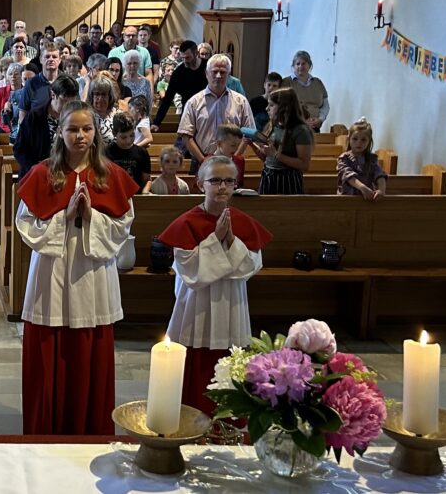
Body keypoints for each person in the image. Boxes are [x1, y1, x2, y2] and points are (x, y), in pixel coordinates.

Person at [15, 101, 138, 435]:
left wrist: (91, 217)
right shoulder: (42, 173)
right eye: (72, 129)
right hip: (52, 272)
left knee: (90, 351)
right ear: (60, 132)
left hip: (93, 274)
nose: (80, 135)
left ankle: (89, 432)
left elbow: (123, 225)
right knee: (49, 350)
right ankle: (46, 433)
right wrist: (64, 216)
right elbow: (25, 224)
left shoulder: (110, 175)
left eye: (86, 129)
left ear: (96, 133)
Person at [158, 155, 270, 416]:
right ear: (200, 184)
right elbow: (189, 271)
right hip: (196, 306)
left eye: (229, 181)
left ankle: (229, 425)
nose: (222, 187)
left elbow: (251, 266)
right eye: (215, 180)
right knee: (194, 365)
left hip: (232, 303)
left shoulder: (243, 222)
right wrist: (216, 239)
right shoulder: (187, 222)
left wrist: (231, 240)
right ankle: (190, 419)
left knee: (231, 363)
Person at [176, 54, 254, 173]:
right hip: (201, 160)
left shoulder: (241, 102)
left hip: (232, 162)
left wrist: (234, 158)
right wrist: (203, 160)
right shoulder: (194, 102)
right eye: (214, 72)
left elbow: (248, 134)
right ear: (206, 74)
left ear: (229, 75)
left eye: (222, 72)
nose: (218, 76)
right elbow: (186, 135)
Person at [14, 75, 80, 180]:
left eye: (72, 102)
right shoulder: (34, 117)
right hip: (35, 175)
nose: (68, 106)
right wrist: (36, 169)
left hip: (65, 175)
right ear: (53, 95)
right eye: (64, 101)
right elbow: (19, 149)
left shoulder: (75, 119)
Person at [253, 88, 313, 194]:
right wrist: (252, 144)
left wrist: (276, 154)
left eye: (271, 105)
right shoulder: (272, 125)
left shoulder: (300, 130)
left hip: (288, 180)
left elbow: (304, 164)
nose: (267, 108)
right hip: (269, 176)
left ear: (284, 107)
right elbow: (267, 159)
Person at [153, 41, 207, 130]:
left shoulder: (208, 67)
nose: (185, 61)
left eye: (188, 57)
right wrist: (156, 122)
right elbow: (167, 99)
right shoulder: (178, 73)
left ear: (196, 53)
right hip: (188, 113)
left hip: (207, 112)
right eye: (183, 58)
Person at [337, 118, 388, 200]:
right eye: (355, 139)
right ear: (349, 139)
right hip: (347, 198)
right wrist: (362, 187)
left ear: (369, 141)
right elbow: (348, 176)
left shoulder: (372, 159)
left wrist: (381, 190)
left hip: (368, 198)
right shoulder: (344, 158)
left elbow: (379, 175)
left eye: (363, 140)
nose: (359, 143)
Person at [282, 50, 329, 131]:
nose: (300, 66)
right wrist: (301, 121)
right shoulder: (286, 83)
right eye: (298, 64)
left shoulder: (317, 82)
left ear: (309, 65)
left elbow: (325, 105)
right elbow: (283, 107)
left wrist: (320, 119)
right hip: (294, 128)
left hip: (314, 127)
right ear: (293, 66)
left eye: (303, 63)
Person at [107, 112, 151, 193]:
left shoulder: (142, 152)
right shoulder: (107, 152)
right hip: (114, 194)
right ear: (114, 133)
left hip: (136, 195)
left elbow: (146, 179)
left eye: (132, 135)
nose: (128, 141)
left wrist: (145, 192)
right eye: (123, 137)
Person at [88, 76, 123, 147]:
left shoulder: (119, 115)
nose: (100, 98)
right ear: (92, 96)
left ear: (109, 96)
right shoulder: (87, 115)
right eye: (97, 94)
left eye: (104, 94)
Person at [214, 124, 247, 188]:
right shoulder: (207, 161)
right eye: (233, 145)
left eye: (238, 145)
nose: (236, 149)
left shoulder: (239, 160)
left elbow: (239, 185)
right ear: (219, 144)